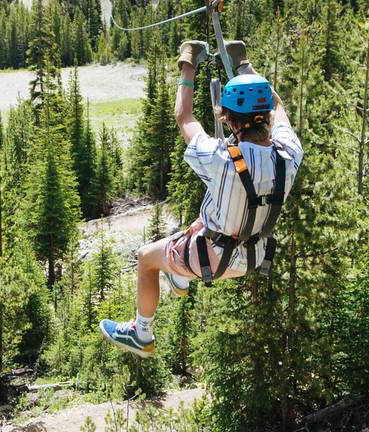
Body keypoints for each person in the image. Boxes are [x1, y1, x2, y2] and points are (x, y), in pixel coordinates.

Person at [99, 39, 303, 358]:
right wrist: (244, 65)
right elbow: (279, 107)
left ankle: (141, 333)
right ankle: (179, 276)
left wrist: (187, 63)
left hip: (210, 259)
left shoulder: (221, 160)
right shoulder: (289, 155)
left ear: (231, 122)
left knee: (145, 258)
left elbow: (184, 117)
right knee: (211, 214)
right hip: (253, 257)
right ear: (265, 118)